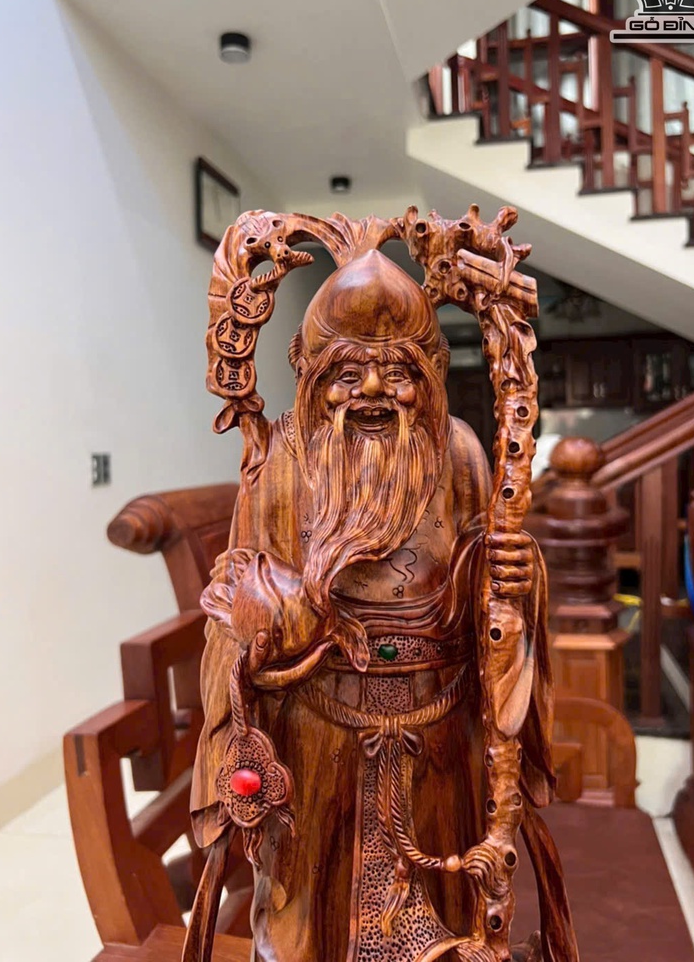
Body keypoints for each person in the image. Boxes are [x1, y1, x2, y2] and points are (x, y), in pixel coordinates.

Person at [187, 249, 553, 962]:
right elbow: (236, 589)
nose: (375, 390)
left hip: (437, 721)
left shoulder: (459, 451)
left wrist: (511, 571)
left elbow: (489, 586)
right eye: (348, 374)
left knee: (448, 898)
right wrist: (278, 610)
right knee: (305, 914)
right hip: (316, 726)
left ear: (430, 374)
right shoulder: (280, 458)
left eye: (398, 371)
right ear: (312, 377)